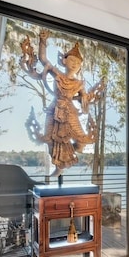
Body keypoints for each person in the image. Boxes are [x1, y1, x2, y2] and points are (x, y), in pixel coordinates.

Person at [21, 30, 103, 176]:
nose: (74, 64)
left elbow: (84, 97)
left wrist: (86, 99)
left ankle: (66, 155)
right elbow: (43, 59)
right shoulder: (58, 73)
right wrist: (43, 41)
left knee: (82, 141)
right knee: (50, 140)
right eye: (71, 60)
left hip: (70, 111)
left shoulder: (79, 83)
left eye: (77, 63)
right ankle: (58, 167)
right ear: (64, 61)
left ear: (80, 67)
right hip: (54, 110)